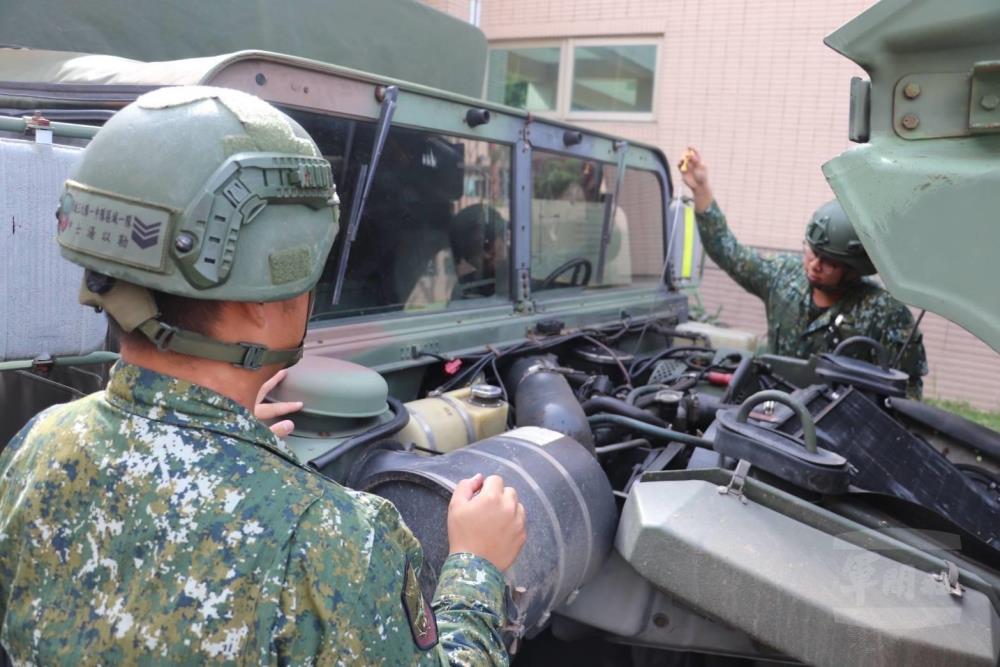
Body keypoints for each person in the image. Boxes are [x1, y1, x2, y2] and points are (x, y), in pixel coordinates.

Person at [0, 86, 525, 665]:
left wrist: (216, 437)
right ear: (263, 302)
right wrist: (477, 567)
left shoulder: (38, 445)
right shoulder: (336, 537)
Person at [680, 148, 927, 397]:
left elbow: (906, 392)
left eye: (828, 261)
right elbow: (729, 253)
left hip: (837, 423)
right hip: (771, 407)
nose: (814, 265)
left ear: (854, 270)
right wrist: (700, 189)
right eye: (811, 252)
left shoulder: (884, 313)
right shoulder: (783, 275)